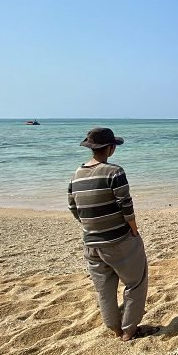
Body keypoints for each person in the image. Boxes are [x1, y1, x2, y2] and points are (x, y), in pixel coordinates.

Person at [68, 127, 158, 341]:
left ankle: (115, 328)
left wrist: (91, 226)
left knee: (104, 288)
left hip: (91, 242)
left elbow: (73, 208)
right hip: (118, 240)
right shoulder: (114, 172)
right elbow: (126, 205)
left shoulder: (76, 175)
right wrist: (134, 231)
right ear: (110, 148)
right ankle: (129, 330)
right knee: (136, 282)